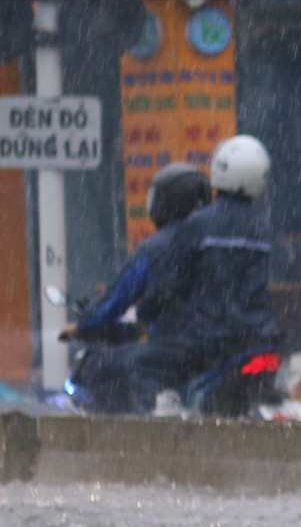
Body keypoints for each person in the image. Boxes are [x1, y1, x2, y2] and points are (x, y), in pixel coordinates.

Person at [62, 162, 212, 412]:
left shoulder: (155, 248)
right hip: (222, 343)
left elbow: (115, 302)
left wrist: (82, 324)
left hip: (176, 346)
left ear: (162, 202)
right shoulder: (214, 240)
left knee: (95, 367)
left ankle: (144, 430)